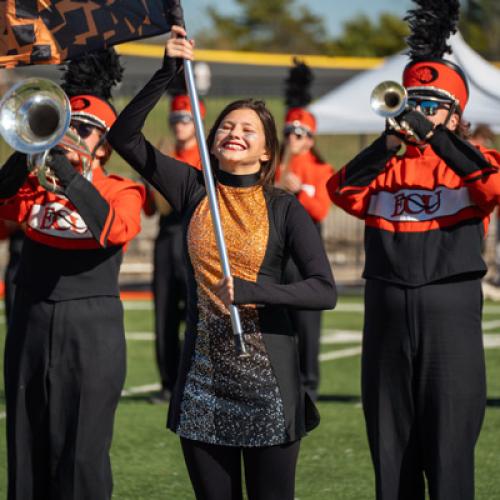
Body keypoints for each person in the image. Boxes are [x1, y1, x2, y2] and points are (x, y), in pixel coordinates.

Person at [108, 25, 336, 500]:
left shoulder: (283, 207)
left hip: (268, 385)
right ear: (214, 140)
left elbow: (323, 290)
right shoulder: (194, 189)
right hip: (203, 382)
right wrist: (167, 73)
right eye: (227, 127)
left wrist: (254, 292)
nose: (234, 133)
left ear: (266, 150)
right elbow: (124, 136)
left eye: (247, 129)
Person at [327, 2, 500, 498]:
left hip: (450, 307)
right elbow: (341, 191)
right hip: (386, 306)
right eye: (413, 101)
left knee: (449, 446)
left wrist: (438, 139)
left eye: (431, 103)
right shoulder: (385, 164)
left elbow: (491, 184)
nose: (419, 112)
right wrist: (386, 144)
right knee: (391, 444)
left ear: (455, 113)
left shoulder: (473, 161)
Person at [0, 49, 145, 499]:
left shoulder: (122, 189)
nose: (70, 136)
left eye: (83, 130)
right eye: (65, 126)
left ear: (103, 144)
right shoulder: (34, 187)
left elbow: (114, 229)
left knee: (82, 452)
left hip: (92, 326)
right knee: (25, 443)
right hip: (31, 317)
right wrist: (26, 151)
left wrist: (72, 177)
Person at [147, 92, 203, 402]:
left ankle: (196, 382)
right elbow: (151, 209)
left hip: (195, 234)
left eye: (185, 119)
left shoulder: (205, 157)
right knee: (165, 314)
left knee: (197, 312)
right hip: (168, 236)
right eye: (175, 120)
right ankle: (168, 382)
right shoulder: (164, 155)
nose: (179, 125)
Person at [276, 102, 333, 401]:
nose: (292, 139)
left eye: (299, 134)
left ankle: (309, 384)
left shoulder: (321, 170)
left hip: (306, 253)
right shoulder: (275, 167)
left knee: (307, 323)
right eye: (288, 133)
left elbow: (321, 209)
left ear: (310, 139)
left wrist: (300, 191)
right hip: (278, 252)